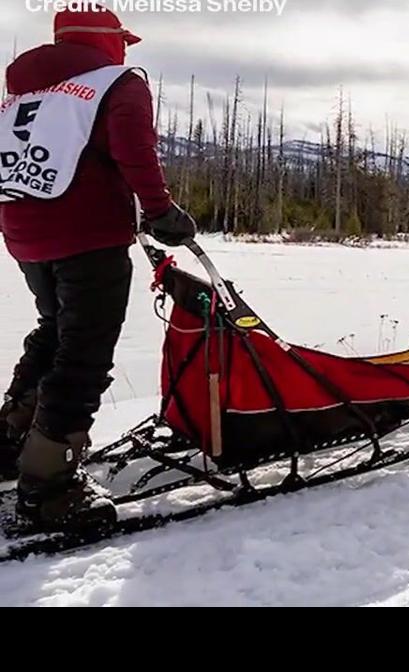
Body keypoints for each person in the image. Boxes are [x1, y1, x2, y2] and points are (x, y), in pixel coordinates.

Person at [0, 4, 195, 529]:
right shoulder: (116, 83)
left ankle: (10, 441)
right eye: (121, 42)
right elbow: (135, 151)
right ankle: (49, 487)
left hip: (24, 230)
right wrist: (161, 211)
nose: (125, 51)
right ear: (105, 41)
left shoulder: (24, 90)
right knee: (84, 352)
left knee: (55, 330)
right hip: (88, 234)